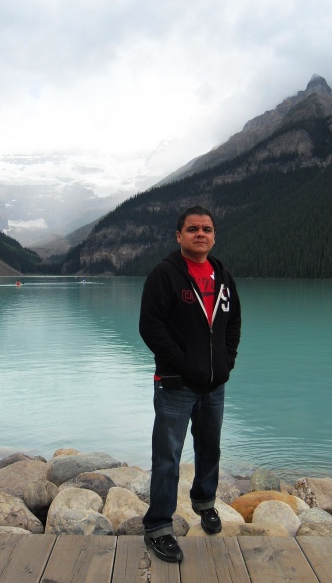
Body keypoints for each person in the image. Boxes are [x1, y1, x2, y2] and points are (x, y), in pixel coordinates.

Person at [139, 205, 241, 563]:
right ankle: (158, 526)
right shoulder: (165, 275)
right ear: (178, 236)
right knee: (167, 457)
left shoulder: (223, 276)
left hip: (215, 384)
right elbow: (150, 328)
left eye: (207, 229)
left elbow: (233, 325)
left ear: (214, 236)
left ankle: (205, 503)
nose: (201, 234)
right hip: (176, 384)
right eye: (193, 229)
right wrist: (184, 365)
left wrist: (227, 363)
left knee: (209, 447)